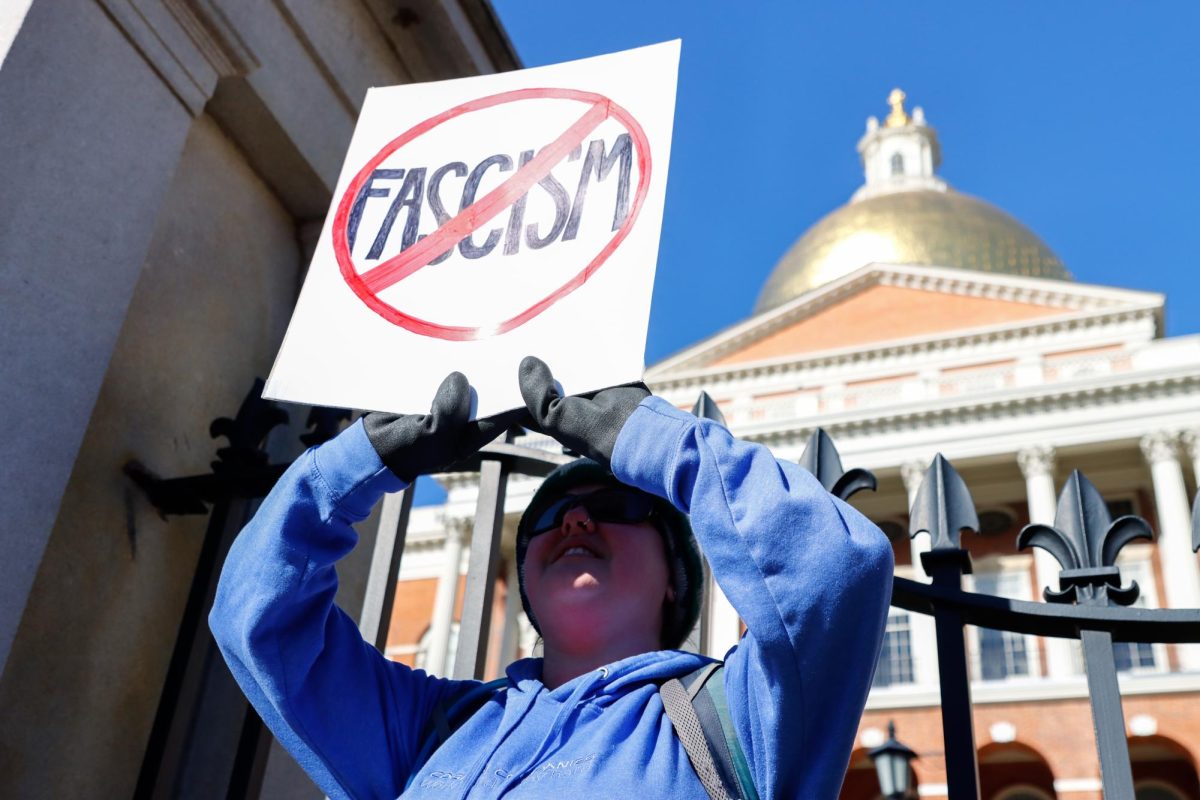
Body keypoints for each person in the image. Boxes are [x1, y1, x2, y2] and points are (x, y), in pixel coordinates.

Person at [210, 357, 894, 798]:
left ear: (675, 580)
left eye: (613, 510)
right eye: (551, 518)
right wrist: (359, 461)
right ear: (527, 581)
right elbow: (258, 619)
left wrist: (651, 442)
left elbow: (834, 568)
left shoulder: (738, 719)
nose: (575, 524)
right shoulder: (432, 727)